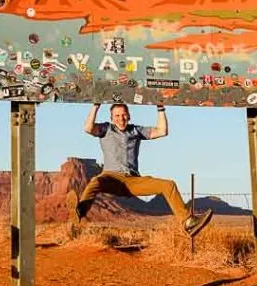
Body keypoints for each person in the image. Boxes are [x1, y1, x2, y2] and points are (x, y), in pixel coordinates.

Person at [66, 102, 213, 237]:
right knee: (95, 182)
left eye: (124, 115)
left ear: (129, 116)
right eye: (117, 116)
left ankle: (188, 223)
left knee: (169, 185)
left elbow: (162, 131)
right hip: (111, 178)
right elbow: (88, 128)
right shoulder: (106, 129)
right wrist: (95, 106)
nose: (121, 118)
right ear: (111, 118)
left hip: (133, 181)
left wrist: (160, 109)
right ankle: (79, 213)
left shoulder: (136, 130)